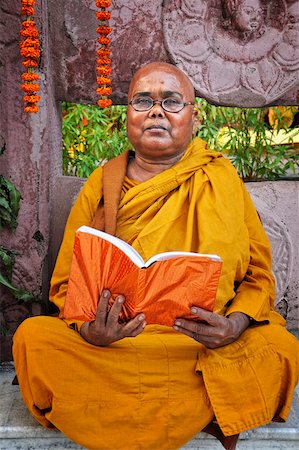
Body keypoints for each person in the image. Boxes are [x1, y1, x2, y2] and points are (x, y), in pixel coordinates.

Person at [13, 61, 299, 450]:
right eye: (143, 100)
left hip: (199, 345)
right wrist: (90, 332)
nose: (156, 111)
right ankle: (186, 402)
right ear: (128, 115)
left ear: (194, 118)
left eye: (171, 101)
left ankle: (125, 404)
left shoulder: (220, 177)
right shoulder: (103, 182)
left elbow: (259, 277)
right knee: (33, 338)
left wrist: (234, 325)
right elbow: (66, 283)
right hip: (116, 346)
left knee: (280, 347)